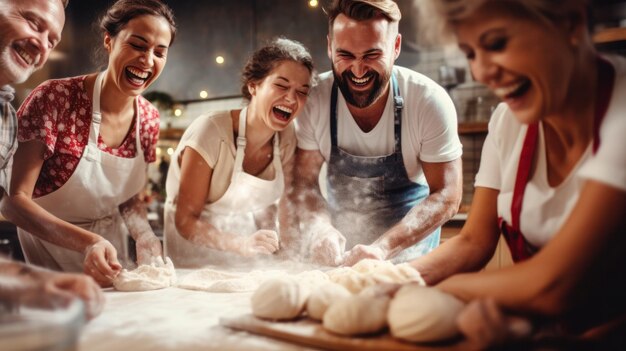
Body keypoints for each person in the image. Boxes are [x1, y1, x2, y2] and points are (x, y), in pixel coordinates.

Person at [409, 0, 626, 348]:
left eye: (496, 44)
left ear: (571, 21)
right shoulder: (508, 122)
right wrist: (398, 278)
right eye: (470, 53)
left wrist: (438, 294)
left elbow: (555, 286)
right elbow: (474, 240)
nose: (481, 72)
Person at [1, 0, 177, 287]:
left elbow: (130, 200)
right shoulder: (54, 98)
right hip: (52, 266)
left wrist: (143, 234)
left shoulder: (149, 119)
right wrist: (88, 243)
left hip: (113, 262)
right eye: (137, 45)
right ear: (109, 41)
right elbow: (13, 201)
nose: (147, 60)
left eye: (159, 52)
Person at [293, 0, 463, 266]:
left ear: (395, 48)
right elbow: (303, 184)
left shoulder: (427, 101)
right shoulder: (314, 100)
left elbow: (447, 195)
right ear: (329, 47)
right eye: (345, 55)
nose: (358, 70)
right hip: (340, 264)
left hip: (412, 264)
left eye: (371, 55)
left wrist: (383, 249)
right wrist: (320, 228)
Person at [163, 38, 316, 268]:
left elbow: (286, 205)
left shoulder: (286, 136)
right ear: (253, 85)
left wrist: (292, 259)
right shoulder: (211, 131)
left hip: (242, 259)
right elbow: (185, 221)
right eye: (282, 86)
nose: (292, 99)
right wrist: (240, 244)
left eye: (302, 92)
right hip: (191, 259)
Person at [0, 0, 103, 319]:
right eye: (33, 22)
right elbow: (13, 201)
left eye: (52, 39)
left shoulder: (5, 116)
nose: (41, 46)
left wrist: (34, 285)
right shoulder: (48, 100)